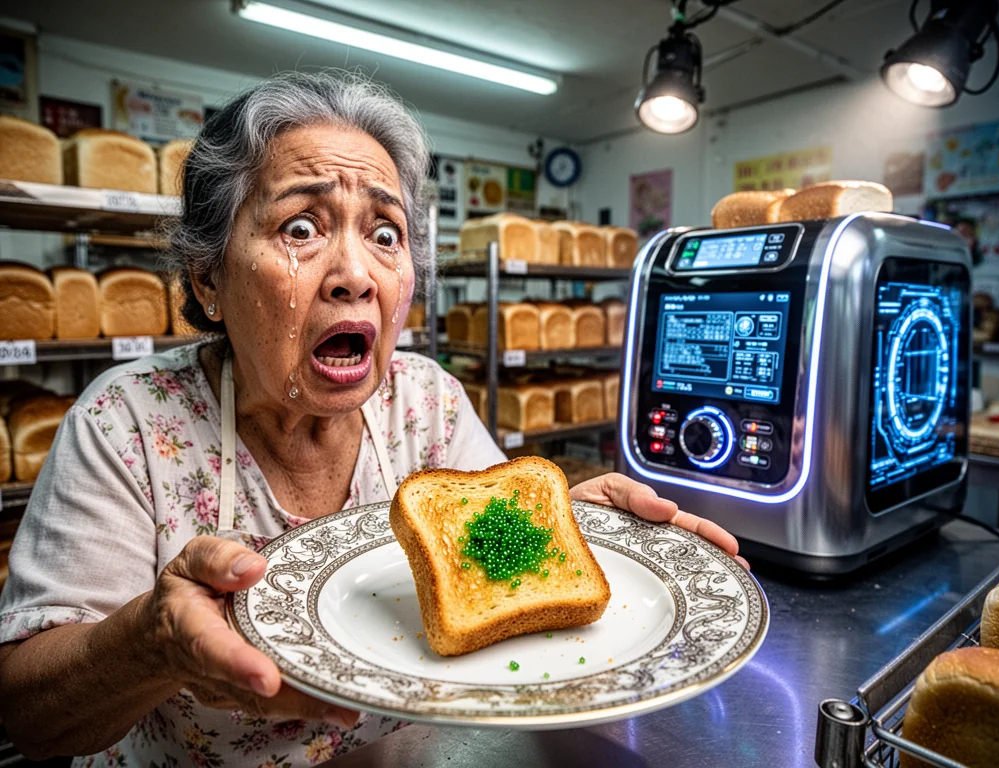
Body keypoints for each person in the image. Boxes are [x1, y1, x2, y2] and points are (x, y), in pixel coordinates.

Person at [0, 71, 744, 765]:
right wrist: (148, 646)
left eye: (386, 233)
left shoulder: (427, 397)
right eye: (300, 227)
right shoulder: (125, 422)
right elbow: (27, 717)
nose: (357, 274)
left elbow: (492, 541)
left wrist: (562, 529)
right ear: (209, 278)